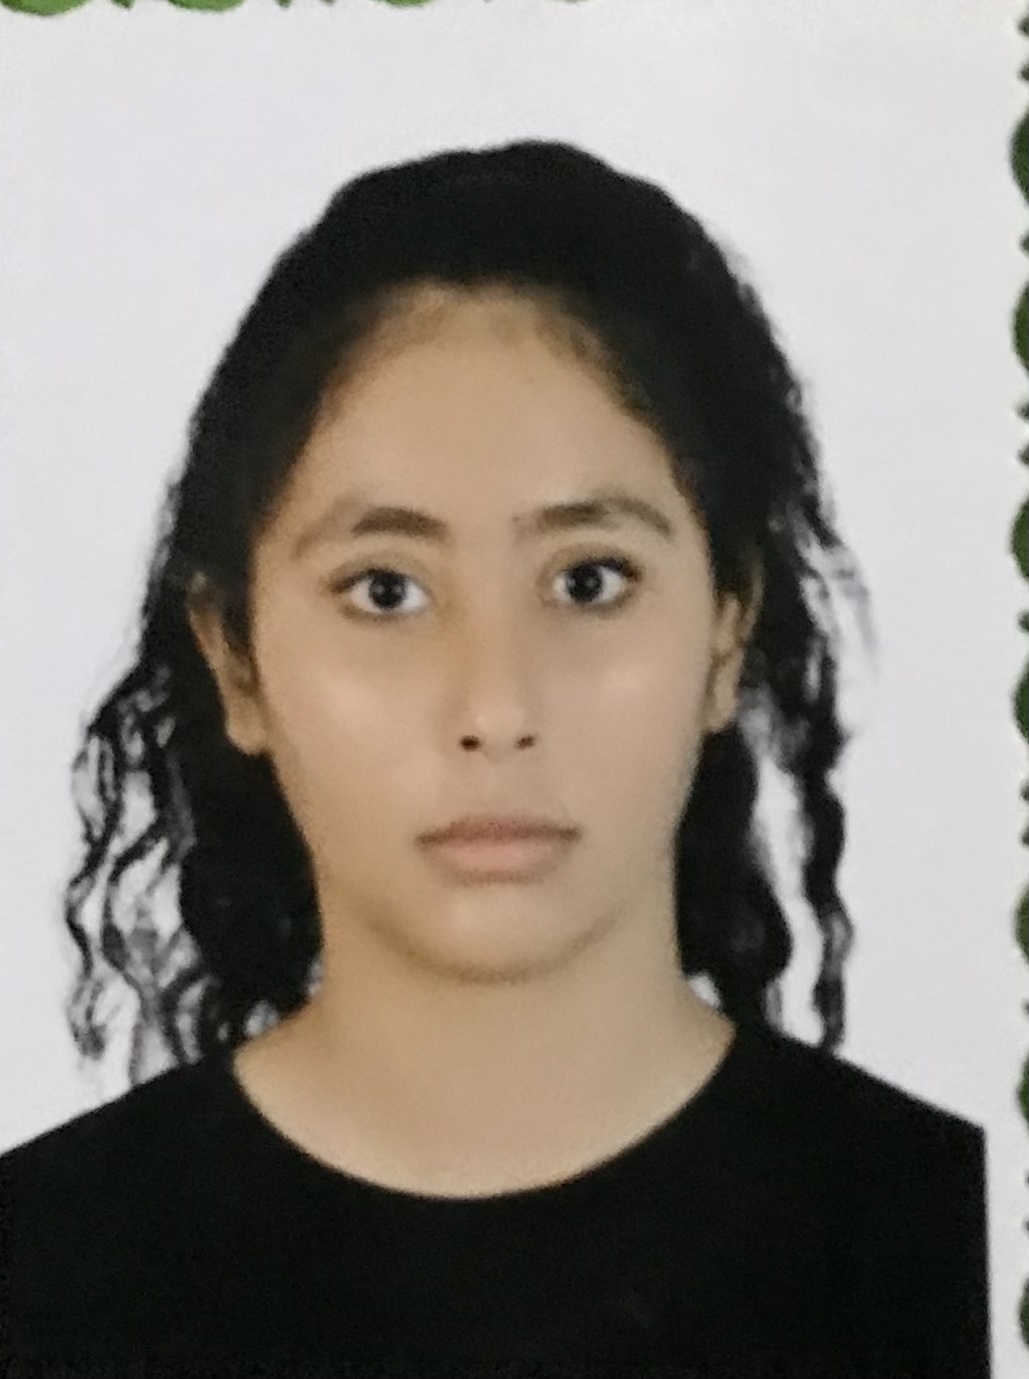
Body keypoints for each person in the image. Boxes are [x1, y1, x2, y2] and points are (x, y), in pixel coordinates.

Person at [0, 140, 989, 1378]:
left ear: (726, 631)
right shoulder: (38, 1272)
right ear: (236, 662)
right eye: (386, 589)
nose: (496, 705)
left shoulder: (961, 1244)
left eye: (590, 580)